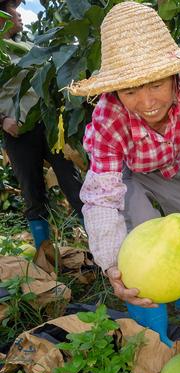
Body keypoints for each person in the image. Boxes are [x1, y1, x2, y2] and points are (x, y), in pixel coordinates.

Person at [69, 1, 180, 346]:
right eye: (131, 91)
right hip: (126, 173)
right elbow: (102, 196)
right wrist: (112, 263)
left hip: (172, 164)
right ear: (116, 91)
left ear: (175, 73)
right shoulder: (107, 118)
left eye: (156, 84)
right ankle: (153, 337)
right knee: (137, 254)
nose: (147, 102)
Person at [0, 0, 83, 248]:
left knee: (74, 183)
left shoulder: (28, 45)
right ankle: (44, 255)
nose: (21, 17)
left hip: (49, 125)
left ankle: (103, 252)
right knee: (32, 194)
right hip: (18, 132)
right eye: (15, 13)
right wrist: (3, 120)